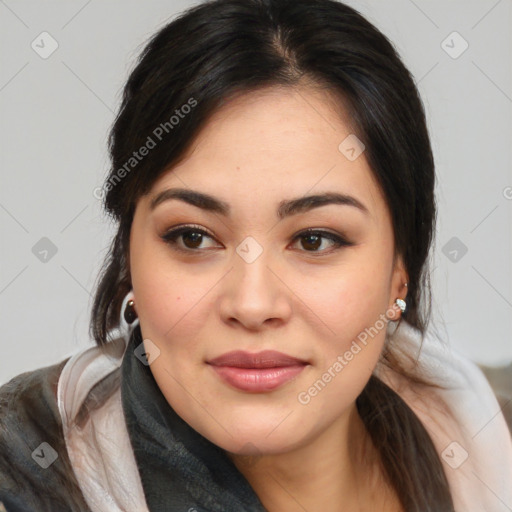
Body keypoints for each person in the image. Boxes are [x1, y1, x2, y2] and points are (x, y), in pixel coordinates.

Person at [1, 0, 511, 511]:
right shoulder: (21, 475)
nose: (251, 303)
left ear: (400, 272)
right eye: (193, 237)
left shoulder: (491, 442)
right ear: (130, 257)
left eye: (314, 240)